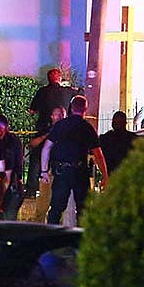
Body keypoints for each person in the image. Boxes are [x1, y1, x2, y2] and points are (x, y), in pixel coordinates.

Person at [40, 96, 109, 226]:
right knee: (83, 209)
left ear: (71, 108)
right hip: (80, 172)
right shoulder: (87, 128)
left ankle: (49, 239)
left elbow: (46, 148)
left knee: (56, 209)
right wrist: (105, 175)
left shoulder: (60, 125)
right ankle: (80, 239)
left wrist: (44, 171)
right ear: (85, 109)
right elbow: (98, 154)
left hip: (61, 171)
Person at [28, 69, 78, 197]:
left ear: (48, 79)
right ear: (60, 78)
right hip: (63, 131)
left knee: (36, 159)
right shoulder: (68, 91)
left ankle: (32, 190)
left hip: (44, 129)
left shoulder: (42, 92)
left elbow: (32, 111)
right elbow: (80, 94)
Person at [29, 107, 66, 223]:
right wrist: (46, 137)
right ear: (51, 117)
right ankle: (39, 224)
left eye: (60, 115)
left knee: (61, 201)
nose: (58, 117)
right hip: (48, 171)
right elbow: (33, 143)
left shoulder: (67, 131)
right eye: (55, 115)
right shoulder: (47, 130)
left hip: (62, 170)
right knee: (43, 201)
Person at [0, 115, 24, 220]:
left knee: (6, 221)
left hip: (9, 190)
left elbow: (7, 174)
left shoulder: (8, 144)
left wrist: (0, 198)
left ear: (2, 128)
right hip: (10, 188)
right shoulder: (12, 140)